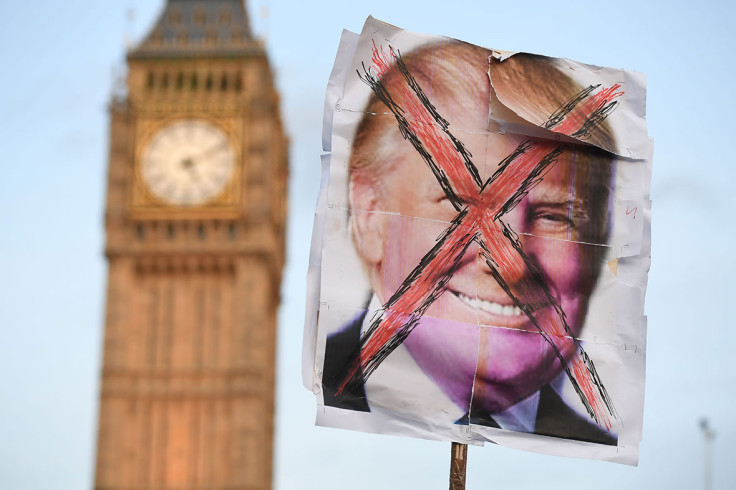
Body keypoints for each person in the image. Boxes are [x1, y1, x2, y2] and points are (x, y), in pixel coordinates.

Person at [322, 40, 617, 445]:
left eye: (553, 217)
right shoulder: (298, 399)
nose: (510, 261)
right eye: (464, 204)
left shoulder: (598, 450)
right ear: (370, 215)